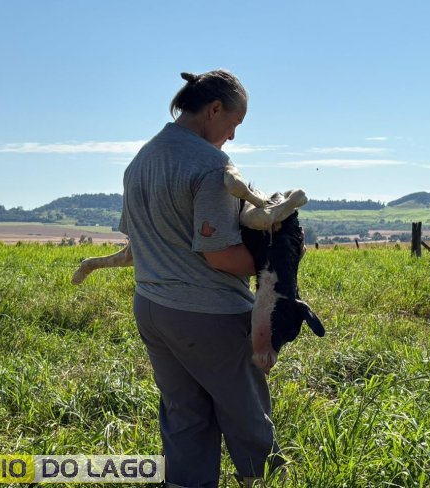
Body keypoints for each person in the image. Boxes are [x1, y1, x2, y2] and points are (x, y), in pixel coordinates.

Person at [118, 69, 284, 488]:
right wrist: (276, 261)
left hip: (150, 307)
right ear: (214, 109)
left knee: (183, 414)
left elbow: (137, 239)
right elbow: (221, 256)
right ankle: (261, 480)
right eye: (234, 123)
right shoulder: (213, 167)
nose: (233, 136)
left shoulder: (141, 160)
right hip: (208, 314)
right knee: (246, 412)